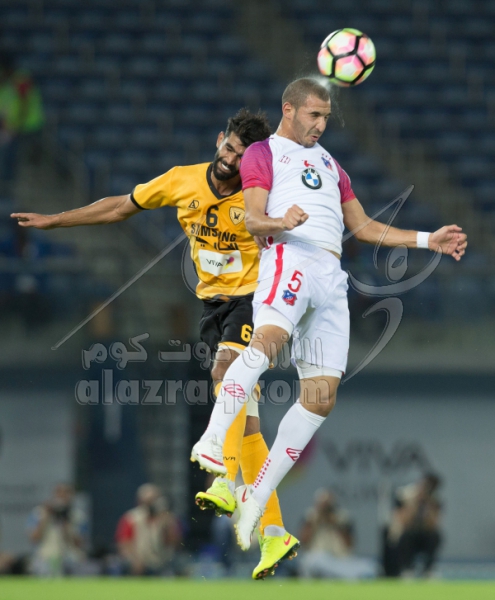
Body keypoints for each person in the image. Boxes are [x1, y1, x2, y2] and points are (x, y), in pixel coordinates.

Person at [11, 109, 298, 579]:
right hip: (213, 305)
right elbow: (120, 207)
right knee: (246, 422)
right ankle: (274, 531)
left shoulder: (260, 195)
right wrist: (57, 221)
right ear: (219, 139)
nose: (231, 159)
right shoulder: (183, 180)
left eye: (242, 156)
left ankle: (223, 479)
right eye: (229, 147)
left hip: (254, 301)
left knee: (225, 370)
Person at [190, 77, 468, 553]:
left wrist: (428, 240)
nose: (321, 125)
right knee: (267, 344)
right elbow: (252, 218)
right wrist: (280, 222)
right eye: (313, 115)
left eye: (325, 117)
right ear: (289, 110)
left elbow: (363, 226)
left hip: (331, 276)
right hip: (290, 257)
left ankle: (256, 496)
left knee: (321, 398)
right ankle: (212, 441)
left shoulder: (330, 164)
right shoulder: (263, 153)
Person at [299, 489, 375, 579]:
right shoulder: (310, 517)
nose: (326, 509)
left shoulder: (342, 518)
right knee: (312, 560)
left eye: (328, 506)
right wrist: (316, 522)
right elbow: (303, 541)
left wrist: (335, 524)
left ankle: (335, 576)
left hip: (340, 561)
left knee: (370, 567)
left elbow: (349, 545)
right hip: (318, 559)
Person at [383, 473, 443, 577]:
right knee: (406, 537)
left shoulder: (435, 500)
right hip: (406, 533)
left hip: (423, 534)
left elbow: (433, 524)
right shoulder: (406, 495)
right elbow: (403, 521)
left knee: (435, 537)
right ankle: (407, 569)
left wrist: (429, 505)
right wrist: (415, 503)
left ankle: (428, 569)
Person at [115, 484, 182, 575]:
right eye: (149, 501)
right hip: (139, 560)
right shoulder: (131, 518)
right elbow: (123, 543)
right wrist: (134, 560)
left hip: (163, 561)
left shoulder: (167, 518)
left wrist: (169, 525)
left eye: (155, 499)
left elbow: (175, 543)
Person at [0, 52, 44, 186]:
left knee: (15, 156)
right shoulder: (6, 84)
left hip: (29, 125)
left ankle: (9, 184)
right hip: (15, 126)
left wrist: (16, 125)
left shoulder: (21, 79)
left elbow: (25, 104)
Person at [27, 483, 87, 576]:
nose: (62, 496)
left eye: (66, 493)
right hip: (45, 556)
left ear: (72, 496)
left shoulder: (78, 516)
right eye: (59, 492)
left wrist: (66, 524)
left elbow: (80, 544)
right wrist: (46, 517)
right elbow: (34, 539)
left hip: (70, 557)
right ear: (53, 494)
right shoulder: (39, 513)